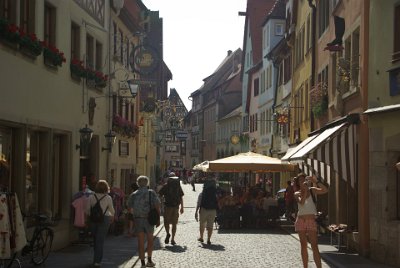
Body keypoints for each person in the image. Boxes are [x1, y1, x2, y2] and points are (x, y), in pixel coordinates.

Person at [294, 173, 328, 268]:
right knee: (303, 245)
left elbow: (325, 190)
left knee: (314, 245)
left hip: (311, 220)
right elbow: (302, 202)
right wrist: (304, 191)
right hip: (300, 220)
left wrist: (315, 181)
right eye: (300, 181)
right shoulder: (296, 193)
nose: (302, 182)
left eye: (304, 179)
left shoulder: (312, 190)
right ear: (298, 183)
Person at [127, 175, 161, 268]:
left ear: (138, 184)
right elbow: (157, 206)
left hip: (138, 219)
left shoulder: (134, 194)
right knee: (150, 240)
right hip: (149, 220)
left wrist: (135, 214)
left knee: (140, 242)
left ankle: (142, 263)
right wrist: (158, 219)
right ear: (147, 183)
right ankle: (149, 261)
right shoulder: (151, 193)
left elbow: (129, 208)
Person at [86, 180, 115, 267]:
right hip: (104, 219)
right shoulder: (108, 198)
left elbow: (87, 210)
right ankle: (97, 261)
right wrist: (112, 217)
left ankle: (96, 258)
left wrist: (87, 218)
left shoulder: (91, 197)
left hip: (93, 219)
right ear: (106, 188)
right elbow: (112, 210)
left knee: (95, 239)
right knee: (100, 240)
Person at [158, 172, 184, 245]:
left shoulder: (166, 186)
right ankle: (172, 239)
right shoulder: (178, 186)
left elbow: (159, 195)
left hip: (167, 207)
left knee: (166, 222)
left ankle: (167, 233)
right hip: (176, 207)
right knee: (174, 224)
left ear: (169, 178)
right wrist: (182, 207)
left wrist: (161, 203)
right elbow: (181, 197)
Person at [195, 179, 218, 245]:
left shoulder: (202, 194)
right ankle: (208, 239)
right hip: (213, 210)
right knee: (210, 226)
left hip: (204, 210)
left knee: (202, 224)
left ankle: (201, 237)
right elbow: (217, 202)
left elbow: (199, 203)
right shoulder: (214, 193)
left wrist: (196, 211)